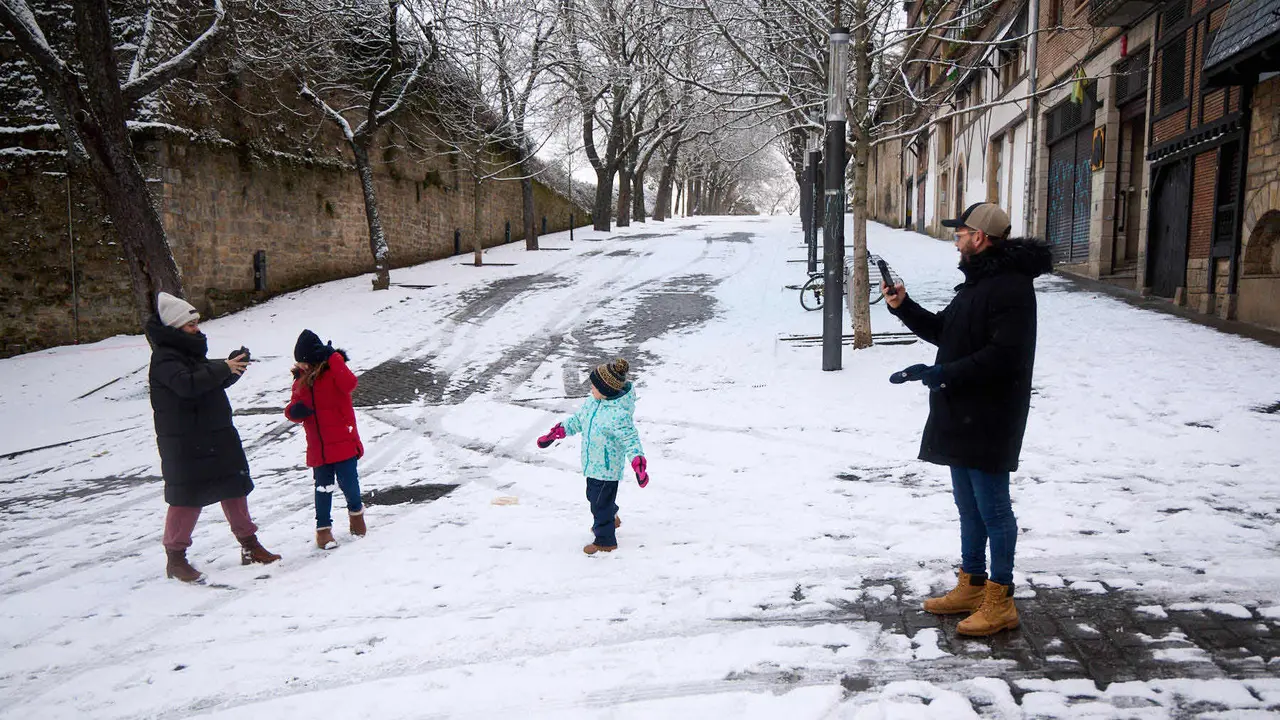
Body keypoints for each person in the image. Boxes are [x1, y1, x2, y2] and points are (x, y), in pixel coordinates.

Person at [883, 202, 1052, 636]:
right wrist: (904, 307)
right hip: (962, 411)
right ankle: (973, 583)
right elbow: (947, 333)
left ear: (979, 237)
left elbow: (1003, 356)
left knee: (994, 510)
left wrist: (940, 374)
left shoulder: (1010, 288)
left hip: (992, 413)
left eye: (960, 233)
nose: (955, 240)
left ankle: (1001, 600)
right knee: (968, 506)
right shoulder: (978, 284)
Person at [147, 292, 280, 583]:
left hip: (216, 434)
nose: (197, 328)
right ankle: (176, 558)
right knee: (186, 499)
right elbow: (188, 384)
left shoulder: (189, 353)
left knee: (234, 488)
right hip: (185, 442)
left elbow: (206, 381)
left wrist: (233, 368)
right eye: (190, 324)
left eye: (197, 323)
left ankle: (250, 546)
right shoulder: (164, 359)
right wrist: (222, 368)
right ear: (175, 327)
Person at [535, 358, 649, 555]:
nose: (591, 390)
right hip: (592, 464)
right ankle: (611, 517)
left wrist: (638, 464)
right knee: (594, 497)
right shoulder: (592, 403)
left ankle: (605, 540)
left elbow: (631, 440)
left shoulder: (619, 415)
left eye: (594, 387)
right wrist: (556, 432)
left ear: (607, 391)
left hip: (607, 468)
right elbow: (578, 421)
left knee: (599, 504)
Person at [285, 330, 365, 550]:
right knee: (322, 488)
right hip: (318, 446)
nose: (300, 366)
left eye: (303, 361)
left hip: (343, 441)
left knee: (349, 484)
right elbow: (291, 408)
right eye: (298, 362)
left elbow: (350, 384)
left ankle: (357, 516)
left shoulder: (333, 373)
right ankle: (323, 531)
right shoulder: (300, 381)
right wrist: (294, 411)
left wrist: (334, 357)